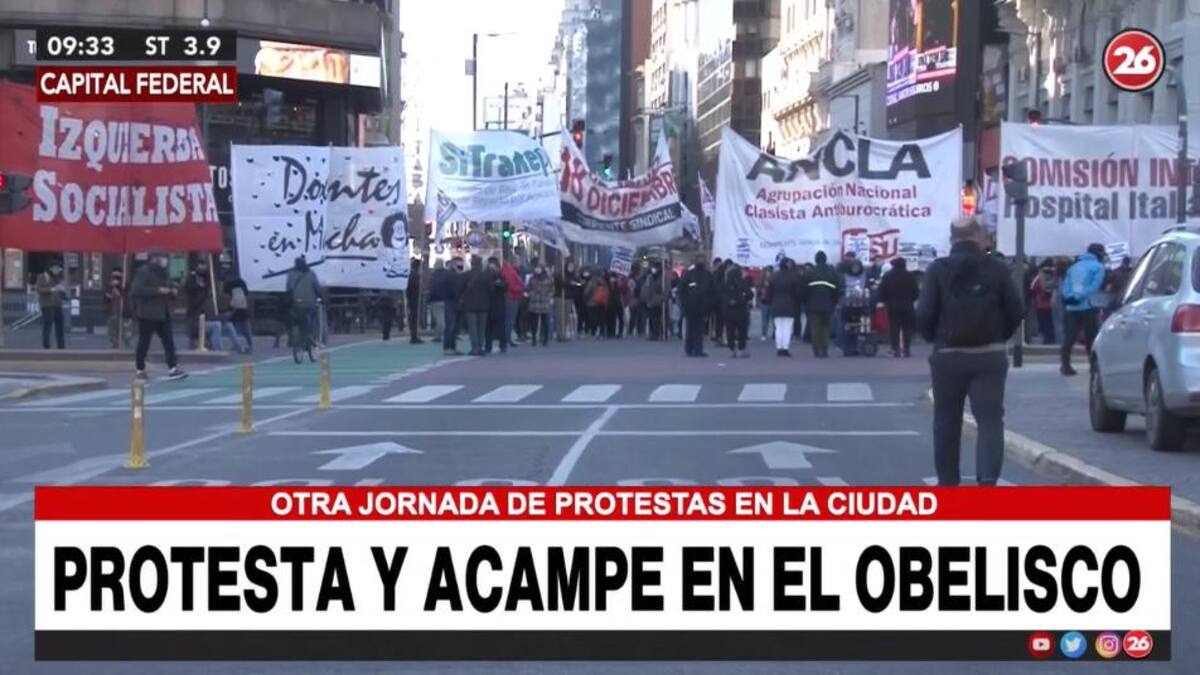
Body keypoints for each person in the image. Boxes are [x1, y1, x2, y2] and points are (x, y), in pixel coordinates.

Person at [916, 219, 1023, 487]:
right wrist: (1000, 336)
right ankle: (987, 481)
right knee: (989, 421)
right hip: (989, 355)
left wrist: (936, 338)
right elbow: (1016, 310)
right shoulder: (996, 269)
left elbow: (925, 312)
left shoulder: (937, 270)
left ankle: (948, 482)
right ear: (978, 237)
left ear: (952, 239)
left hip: (948, 355)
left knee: (946, 421)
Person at [130, 251, 187, 381]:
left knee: (169, 342)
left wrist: (173, 290)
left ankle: (173, 368)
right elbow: (136, 289)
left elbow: (170, 285)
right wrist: (157, 291)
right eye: (162, 258)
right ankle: (140, 369)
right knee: (144, 342)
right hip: (147, 313)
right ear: (154, 259)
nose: (164, 261)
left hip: (163, 312)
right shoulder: (143, 272)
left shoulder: (164, 273)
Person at [1059, 243, 1108, 376]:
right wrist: (1080, 296)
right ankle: (1093, 366)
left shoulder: (1073, 267)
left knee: (1069, 338)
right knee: (1091, 338)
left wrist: (1070, 297)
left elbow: (1065, 286)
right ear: (1098, 255)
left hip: (1071, 307)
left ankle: (1065, 365)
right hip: (1088, 306)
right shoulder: (1099, 267)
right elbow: (1095, 286)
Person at [877, 257, 919, 358]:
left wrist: (884, 300)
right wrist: (911, 300)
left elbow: (882, 291)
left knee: (894, 328)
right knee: (907, 328)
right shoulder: (910, 276)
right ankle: (906, 349)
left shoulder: (888, 276)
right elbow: (916, 292)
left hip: (892, 306)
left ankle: (895, 349)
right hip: (907, 306)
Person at [801, 252, 840, 358]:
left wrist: (805, 302)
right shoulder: (832, 272)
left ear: (816, 260)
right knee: (826, 327)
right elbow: (837, 289)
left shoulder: (810, 273)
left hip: (812, 305)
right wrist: (835, 302)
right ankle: (824, 349)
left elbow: (803, 290)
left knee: (815, 328)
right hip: (828, 304)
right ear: (825, 259)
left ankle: (816, 350)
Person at [680, 256, 715, 357]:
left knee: (700, 330)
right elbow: (682, 290)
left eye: (702, 260)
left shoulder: (708, 275)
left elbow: (713, 292)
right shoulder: (689, 275)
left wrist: (709, 304)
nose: (700, 262)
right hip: (690, 307)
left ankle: (698, 349)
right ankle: (689, 349)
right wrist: (685, 303)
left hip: (703, 308)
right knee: (690, 329)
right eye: (698, 260)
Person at [284, 256, 321, 347]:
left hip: (296, 302)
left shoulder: (290, 274)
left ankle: (296, 338)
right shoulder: (311, 274)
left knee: (299, 319)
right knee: (314, 318)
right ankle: (312, 336)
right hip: (310, 302)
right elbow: (317, 287)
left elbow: (288, 288)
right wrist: (320, 297)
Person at [768, 258, 802, 357]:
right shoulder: (794, 277)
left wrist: (770, 301)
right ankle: (785, 348)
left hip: (776, 304)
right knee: (787, 327)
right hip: (790, 304)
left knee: (778, 327)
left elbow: (769, 292)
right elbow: (798, 293)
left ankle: (779, 347)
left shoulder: (774, 277)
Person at [460, 255, 492, 356]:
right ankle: (480, 347)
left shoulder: (466, 275)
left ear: (472, 264)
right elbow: (491, 290)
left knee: (472, 327)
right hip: (484, 304)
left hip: (470, 305)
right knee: (482, 328)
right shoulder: (486, 276)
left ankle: (474, 348)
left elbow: (460, 289)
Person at [721, 262, 754, 358]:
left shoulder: (725, 284)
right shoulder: (742, 282)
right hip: (741, 310)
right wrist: (744, 299)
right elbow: (750, 294)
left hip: (728, 311)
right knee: (742, 331)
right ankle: (741, 349)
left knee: (730, 331)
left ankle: (732, 349)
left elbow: (721, 296)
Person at [36, 264, 67, 350]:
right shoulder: (42, 276)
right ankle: (46, 345)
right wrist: (51, 289)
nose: (58, 270)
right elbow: (39, 289)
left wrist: (63, 293)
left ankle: (61, 346)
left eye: (59, 269)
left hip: (57, 304)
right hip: (47, 305)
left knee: (60, 326)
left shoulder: (57, 278)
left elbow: (60, 290)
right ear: (51, 268)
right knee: (48, 325)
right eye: (56, 269)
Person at [1029, 260, 1058, 345]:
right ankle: (1052, 339)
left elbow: (1033, 287)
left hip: (1041, 303)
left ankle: (1046, 340)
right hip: (1053, 303)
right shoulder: (1056, 274)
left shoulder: (1039, 276)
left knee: (1044, 323)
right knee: (1051, 322)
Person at [484, 257, 509, 354]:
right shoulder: (487, 277)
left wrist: (498, 285)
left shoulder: (500, 277)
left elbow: (505, 286)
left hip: (497, 305)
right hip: (492, 305)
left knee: (498, 327)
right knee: (490, 327)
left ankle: (501, 345)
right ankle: (490, 345)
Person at [184, 260, 211, 349]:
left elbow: (207, 287)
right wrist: (198, 286)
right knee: (193, 328)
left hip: (202, 305)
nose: (202, 268)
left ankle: (204, 345)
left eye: (204, 266)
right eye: (201, 266)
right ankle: (192, 346)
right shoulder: (192, 276)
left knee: (202, 327)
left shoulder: (206, 276)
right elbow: (188, 288)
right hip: (194, 305)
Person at [527, 262, 554, 347]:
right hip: (534, 302)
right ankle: (534, 339)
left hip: (544, 302)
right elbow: (528, 288)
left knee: (545, 322)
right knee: (534, 322)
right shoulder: (532, 278)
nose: (537, 270)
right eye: (536, 268)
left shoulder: (549, 279)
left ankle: (545, 339)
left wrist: (549, 297)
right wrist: (531, 294)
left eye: (539, 268)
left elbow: (552, 289)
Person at [225, 273, 252, 353]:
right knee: (246, 326)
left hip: (233, 305)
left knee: (232, 325)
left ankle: (236, 344)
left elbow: (226, 294)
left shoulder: (227, 282)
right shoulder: (241, 281)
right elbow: (246, 293)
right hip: (242, 305)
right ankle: (249, 344)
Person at [500, 258, 524, 347]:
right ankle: (507, 338)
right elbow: (512, 286)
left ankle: (507, 338)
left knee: (509, 320)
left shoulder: (510, 270)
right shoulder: (509, 271)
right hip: (512, 297)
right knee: (510, 320)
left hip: (512, 297)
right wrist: (522, 288)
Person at [640, 264, 666, 341]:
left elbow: (665, 290)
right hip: (651, 301)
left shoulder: (663, 278)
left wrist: (662, 298)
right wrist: (646, 298)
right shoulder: (650, 277)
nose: (654, 270)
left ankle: (659, 333)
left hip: (659, 301)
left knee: (658, 319)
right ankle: (654, 333)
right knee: (652, 319)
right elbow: (647, 288)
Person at [105, 267, 128, 349]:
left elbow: (125, 296)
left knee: (124, 332)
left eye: (117, 276)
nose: (115, 279)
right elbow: (107, 297)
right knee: (112, 331)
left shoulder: (125, 284)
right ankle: (115, 345)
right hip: (112, 311)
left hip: (123, 312)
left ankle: (124, 347)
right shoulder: (110, 285)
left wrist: (118, 288)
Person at [406, 258, 425, 344]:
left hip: (412, 299)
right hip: (414, 300)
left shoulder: (412, 275)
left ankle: (414, 335)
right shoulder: (414, 276)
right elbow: (413, 288)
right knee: (414, 318)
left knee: (414, 318)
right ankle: (414, 336)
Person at [758, 266, 774, 342]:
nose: (769, 273)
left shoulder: (774, 281)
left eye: (770, 272)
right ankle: (764, 334)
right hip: (764, 302)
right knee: (765, 320)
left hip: (772, 301)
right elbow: (758, 291)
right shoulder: (761, 281)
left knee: (773, 319)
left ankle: (774, 334)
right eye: (768, 272)